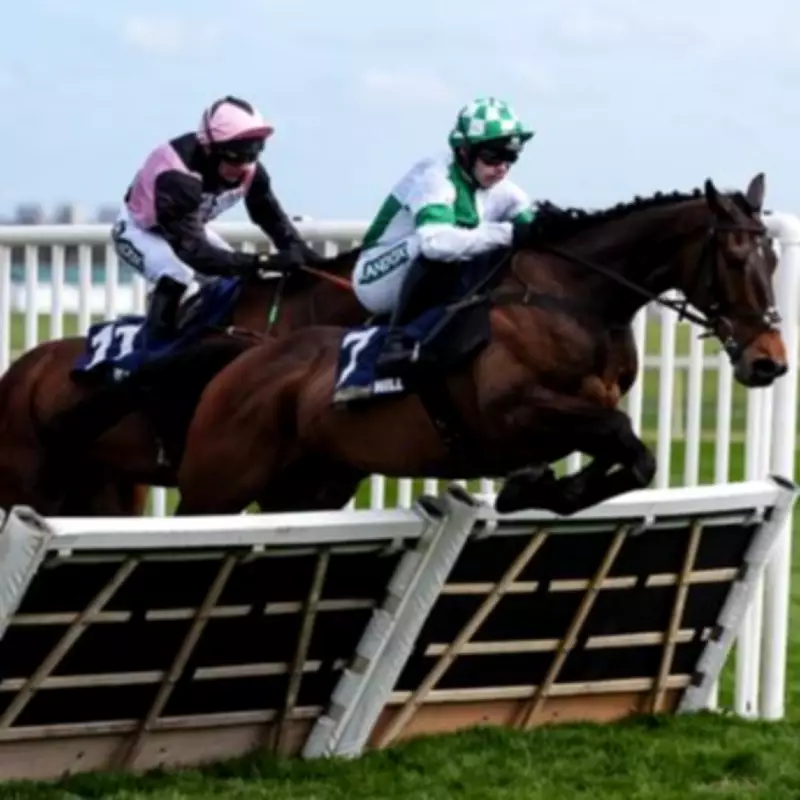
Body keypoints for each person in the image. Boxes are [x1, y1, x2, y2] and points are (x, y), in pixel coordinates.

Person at [112, 95, 322, 343]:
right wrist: (264, 261)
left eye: (255, 151)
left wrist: (308, 258)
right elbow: (195, 254)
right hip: (140, 231)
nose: (245, 164)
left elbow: (271, 218)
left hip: (184, 231)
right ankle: (150, 349)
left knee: (235, 281)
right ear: (209, 149)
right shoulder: (178, 178)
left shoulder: (250, 170)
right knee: (177, 275)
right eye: (236, 154)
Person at [351, 96, 537, 374]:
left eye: (510, 157)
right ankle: (396, 341)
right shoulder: (435, 177)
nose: (501, 168)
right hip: (375, 279)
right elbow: (435, 244)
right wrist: (508, 232)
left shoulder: (504, 189)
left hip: (423, 275)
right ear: (464, 151)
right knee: (437, 244)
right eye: (493, 156)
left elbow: (534, 226)